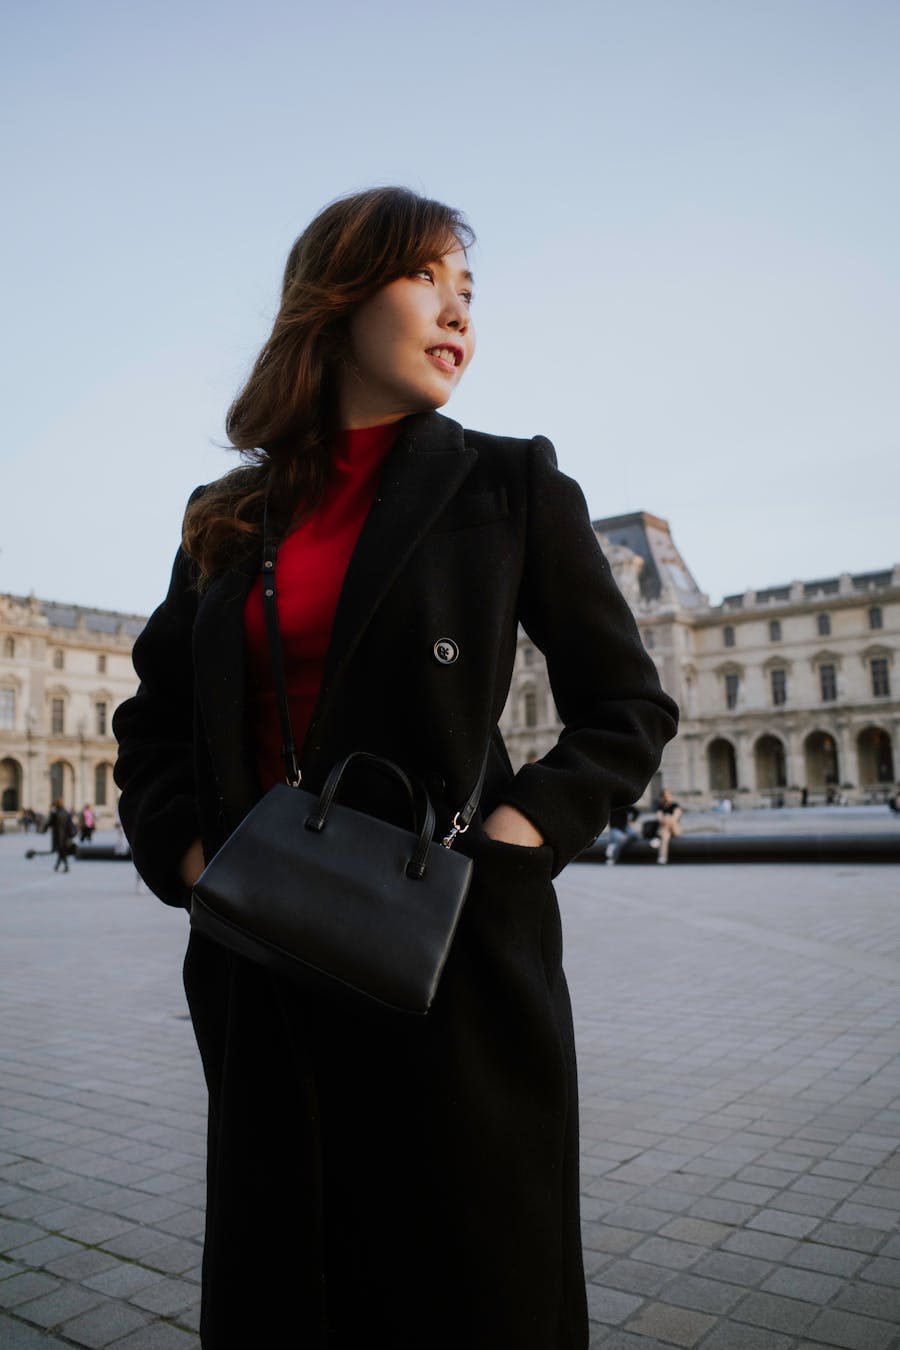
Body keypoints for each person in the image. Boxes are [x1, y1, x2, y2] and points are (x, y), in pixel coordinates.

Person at [113, 187, 678, 1350]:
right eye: (429, 278)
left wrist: (514, 846)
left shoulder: (508, 484)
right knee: (293, 1295)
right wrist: (183, 853)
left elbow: (626, 704)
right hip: (264, 964)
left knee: (464, 1295)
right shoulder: (227, 515)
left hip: (452, 961)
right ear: (339, 294)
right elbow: (154, 719)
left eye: (470, 292)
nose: (458, 309)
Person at [651, 787, 683, 864]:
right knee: (665, 838)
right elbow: (659, 818)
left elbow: (675, 817)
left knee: (668, 817)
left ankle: (657, 836)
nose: (667, 797)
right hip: (666, 829)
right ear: (662, 797)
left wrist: (666, 819)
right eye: (665, 795)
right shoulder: (660, 807)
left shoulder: (675, 805)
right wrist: (664, 819)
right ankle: (662, 857)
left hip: (675, 829)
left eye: (668, 795)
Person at [47, 799, 73, 872]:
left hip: (58, 835)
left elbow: (50, 823)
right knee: (62, 851)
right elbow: (70, 824)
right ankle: (58, 866)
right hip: (66, 836)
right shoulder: (66, 813)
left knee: (61, 851)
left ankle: (64, 866)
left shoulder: (55, 813)